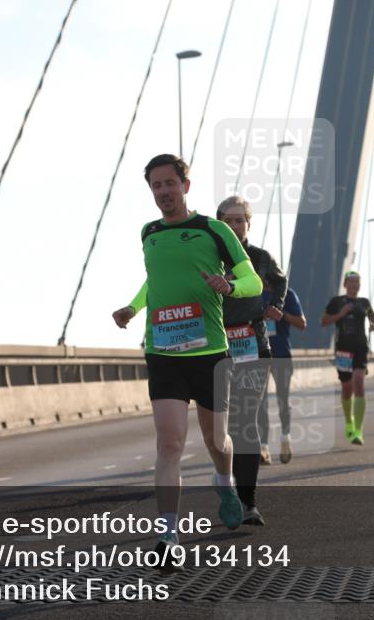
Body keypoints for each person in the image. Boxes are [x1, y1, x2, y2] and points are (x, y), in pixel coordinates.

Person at [112, 154, 262, 566]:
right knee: (170, 442)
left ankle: (224, 481)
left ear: (185, 186)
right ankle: (168, 535)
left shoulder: (213, 230)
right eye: (156, 186)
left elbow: (253, 281)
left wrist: (229, 285)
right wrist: (133, 308)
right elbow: (155, 281)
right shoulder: (149, 234)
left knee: (217, 440)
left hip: (210, 353)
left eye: (169, 184)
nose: (163, 192)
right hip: (163, 351)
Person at [217, 195, 287, 526]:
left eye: (239, 220)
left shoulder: (259, 258)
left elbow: (281, 280)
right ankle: (227, 490)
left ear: (248, 223)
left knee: (244, 424)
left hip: (254, 347)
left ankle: (248, 503)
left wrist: (276, 305)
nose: (234, 226)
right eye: (227, 221)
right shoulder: (210, 256)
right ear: (219, 224)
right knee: (221, 429)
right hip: (215, 349)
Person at [321, 271, 374, 445]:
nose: (354, 285)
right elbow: (324, 321)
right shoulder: (336, 302)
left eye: (357, 282)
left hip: (360, 347)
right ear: (345, 284)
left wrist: (373, 323)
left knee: (359, 381)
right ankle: (349, 422)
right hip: (343, 349)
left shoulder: (364, 302)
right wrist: (341, 313)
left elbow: (371, 314)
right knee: (346, 387)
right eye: (351, 282)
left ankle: (358, 431)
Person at [257, 287, 306, 464]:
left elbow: (302, 323)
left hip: (281, 355)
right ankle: (264, 448)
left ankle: (286, 438)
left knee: (282, 399)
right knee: (260, 402)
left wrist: (281, 314)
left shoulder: (288, 294)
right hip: (258, 355)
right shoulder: (252, 292)